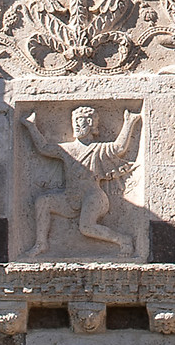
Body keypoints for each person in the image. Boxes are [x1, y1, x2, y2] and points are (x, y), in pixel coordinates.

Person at [24, 105, 140, 257]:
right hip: (70, 198)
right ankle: (41, 243)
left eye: (81, 121)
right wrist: (31, 126)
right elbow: (44, 148)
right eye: (75, 122)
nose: (77, 125)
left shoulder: (98, 149)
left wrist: (129, 122)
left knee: (86, 227)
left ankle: (123, 240)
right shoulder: (67, 149)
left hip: (94, 197)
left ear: (91, 124)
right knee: (43, 202)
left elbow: (119, 148)